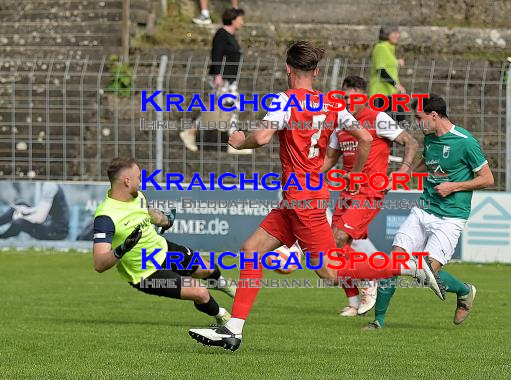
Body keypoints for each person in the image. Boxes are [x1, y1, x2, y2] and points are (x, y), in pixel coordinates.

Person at [188, 41, 445, 352]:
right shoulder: (333, 104)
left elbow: (263, 136)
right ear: (317, 71)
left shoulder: (285, 100)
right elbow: (364, 137)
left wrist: (241, 142)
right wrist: (356, 174)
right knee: (251, 249)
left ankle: (411, 266)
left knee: (330, 271)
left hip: (302, 198)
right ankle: (234, 328)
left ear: (287, 69)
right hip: (299, 197)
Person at [365, 94, 494, 330]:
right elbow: (428, 161)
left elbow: (487, 178)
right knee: (393, 263)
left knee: (424, 272)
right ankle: (378, 322)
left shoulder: (465, 141)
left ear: (434, 115)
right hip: (423, 210)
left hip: (451, 217)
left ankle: (465, 291)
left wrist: (454, 186)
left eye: (419, 118)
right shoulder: (431, 139)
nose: (417, 123)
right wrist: (407, 175)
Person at [92, 157, 236, 326]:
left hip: (163, 249)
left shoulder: (137, 196)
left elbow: (148, 213)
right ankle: (224, 319)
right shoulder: (105, 217)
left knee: (207, 268)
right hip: (146, 273)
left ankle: (228, 288)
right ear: (126, 181)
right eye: (139, 177)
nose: (141, 181)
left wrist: (165, 220)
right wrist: (122, 249)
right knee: (200, 292)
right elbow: (99, 264)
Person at [322, 75, 419, 317]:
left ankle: (369, 278)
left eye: (354, 98)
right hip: (346, 193)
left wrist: (403, 170)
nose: (348, 102)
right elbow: (330, 160)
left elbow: (411, 142)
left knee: (338, 239)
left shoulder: (377, 118)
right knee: (335, 249)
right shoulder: (341, 123)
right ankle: (354, 301)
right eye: (345, 97)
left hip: (369, 191)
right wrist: (304, 175)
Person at [181, 8, 250, 154]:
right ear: (232, 19)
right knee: (232, 106)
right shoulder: (222, 34)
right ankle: (232, 143)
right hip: (221, 79)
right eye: (240, 18)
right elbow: (216, 55)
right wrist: (218, 75)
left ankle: (191, 133)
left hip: (230, 80)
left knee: (226, 107)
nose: (242, 22)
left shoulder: (231, 36)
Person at [0, 182, 69, 240]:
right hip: (52, 226)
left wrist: (20, 217)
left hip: (55, 232)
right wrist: (27, 210)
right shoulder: (50, 184)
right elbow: (42, 208)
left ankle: (2, 238)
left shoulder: (50, 186)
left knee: (18, 222)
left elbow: (39, 218)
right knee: (20, 206)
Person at [369, 22, 406, 122]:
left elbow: (387, 63)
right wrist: (396, 85)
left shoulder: (389, 48)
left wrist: (397, 62)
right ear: (387, 34)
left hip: (390, 92)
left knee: (397, 119)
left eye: (398, 33)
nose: (398, 35)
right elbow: (381, 70)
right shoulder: (381, 47)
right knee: (398, 118)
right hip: (380, 92)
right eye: (394, 33)